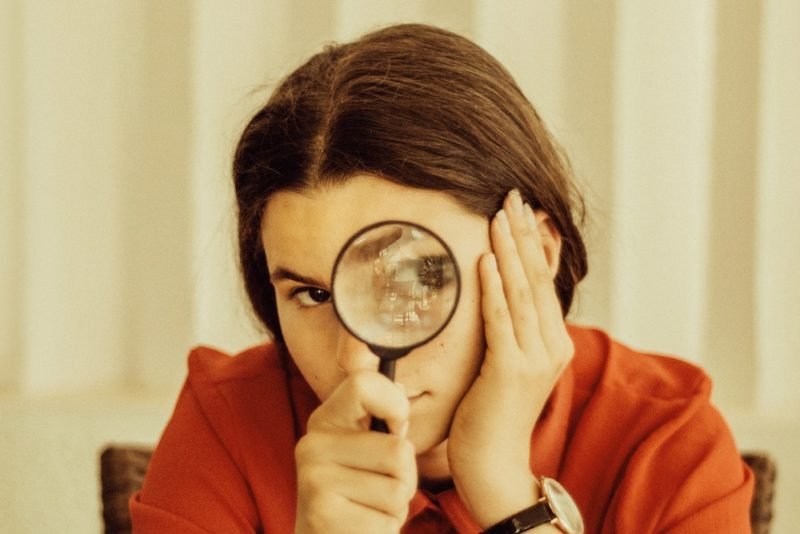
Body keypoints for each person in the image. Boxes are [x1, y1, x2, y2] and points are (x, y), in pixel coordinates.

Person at [130, 23, 753, 533]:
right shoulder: (229, 421)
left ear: (532, 253)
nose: (356, 359)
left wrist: (509, 495)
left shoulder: (662, 439)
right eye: (313, 294)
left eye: (413, 278)